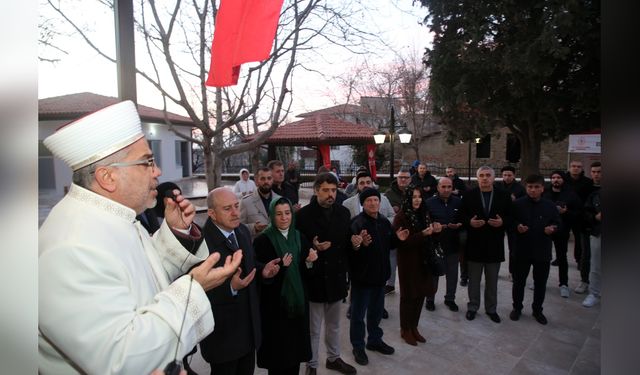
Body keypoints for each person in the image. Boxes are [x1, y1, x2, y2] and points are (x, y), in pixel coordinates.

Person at [39, 100, 242, 374]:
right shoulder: (71, 247)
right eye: (147, 162)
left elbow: (135, 276)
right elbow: (124, 357)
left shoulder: (109, 216)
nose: (157, 171)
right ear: (108, 177)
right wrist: (193, 289)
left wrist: (175, 232)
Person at [200, 187, 283, 375]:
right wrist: (230, 287)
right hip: (223, 338)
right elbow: (195, 289)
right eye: (227, 208)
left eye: (236, 206)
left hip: (248, 331)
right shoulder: (201, 243)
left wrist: (263, 271)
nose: (236, 212)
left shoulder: (242, 231)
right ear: (212, 213)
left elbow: (249, 264)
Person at [296, 172, 357, 375]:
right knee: (313, 328)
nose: (330, 194)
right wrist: (311, 249)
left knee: (335, 326)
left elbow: (347, 243)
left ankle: (333, 358)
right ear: (316, 190)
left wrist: (356, 244)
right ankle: (311, 365)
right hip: (315, 279)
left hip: (337, 277)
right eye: (325, 190)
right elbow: (297, 246)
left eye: (333, 190)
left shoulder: (343, 213)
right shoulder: (303, 216)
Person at [253, 197, 318, 375]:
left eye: (287, 213)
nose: (284, 218)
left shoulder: (300, 238)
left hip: (297, 307)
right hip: (275, 310)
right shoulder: (262, 241)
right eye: (279, 214)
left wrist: (310, 262)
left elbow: (308, 276)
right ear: (272, 216)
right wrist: (279, 269)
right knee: (279, 360)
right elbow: (260, 278)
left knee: (294, 357)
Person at [348, 188, 409, 366]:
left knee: (375, 313)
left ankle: (374, 340)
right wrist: (359, 245)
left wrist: (398, 239)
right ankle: (358, 346)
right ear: (363, 203)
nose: (373, 203)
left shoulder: (383, 221)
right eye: (369, 201)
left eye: (376, 200)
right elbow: (351, 251)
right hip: (362, 279)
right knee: (358, 316)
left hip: (379, 278)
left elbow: (389, 245)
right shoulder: (356, 223)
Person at [460, 166, 512, 323]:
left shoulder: (504, 195)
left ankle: (491, 309)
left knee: (492, 281)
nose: (484, 178)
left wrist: (503, 222)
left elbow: (511, 216)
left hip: (494, 245)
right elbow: (461, 215)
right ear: (477, 178)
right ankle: (472, 307)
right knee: (474, 281)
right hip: (475, 244)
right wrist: (470, 222)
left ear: (493, 178)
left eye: (487, 175)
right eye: (481, 175)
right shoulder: (469, 195)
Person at [509, 175, 561, 325]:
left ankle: (537, 310)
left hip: (542, 251)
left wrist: (553, 228)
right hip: (522, 249)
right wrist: (517, 226)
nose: (533, 190)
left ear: (542, 188)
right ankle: (517, 308)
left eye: (536, 187)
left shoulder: (550, 205)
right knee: (519, 282)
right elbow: (510, 222)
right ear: (526, 188)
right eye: (530, 187)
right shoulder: (517, 204)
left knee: (540, 283)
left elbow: (558, 223)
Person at [343, 171, 395, 319]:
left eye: (368, 182)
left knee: (378, 283)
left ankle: (379, 307)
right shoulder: (348, 203)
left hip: (379, 250)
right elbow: (345, 227)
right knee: (357, 283)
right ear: (357, 185)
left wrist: (383, 225)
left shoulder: (383, 200)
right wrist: (355, 240)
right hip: (358, 253)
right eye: (362, 183)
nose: (365, 185)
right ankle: (353, 306)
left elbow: (391, 217)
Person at [392, 185, 441, 345]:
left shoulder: (424, 213)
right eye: (414, 197)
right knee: (408, 296)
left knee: (420, 294)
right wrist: (422, 234)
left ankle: (414, 327)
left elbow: (430, 235)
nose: (417, 200)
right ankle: (405, 330)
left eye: (419, 196)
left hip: (424, 260)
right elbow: (400, 243)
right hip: (408, 262)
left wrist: (435, 229)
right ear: (407, 199)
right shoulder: (401, 217)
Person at [425, 177, 463, 312]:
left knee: (452, 274)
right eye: (443, 187)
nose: (446, 190)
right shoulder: (429, 203)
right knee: (433, 274)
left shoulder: (459, 202)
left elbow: (463, 220)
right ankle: (430, 299)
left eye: (449, 187)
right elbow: (424, 222)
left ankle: (450, 299)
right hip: (435, 245)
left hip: (453, 245)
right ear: (438, 187)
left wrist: (459, 225)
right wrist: (432, 227)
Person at [542, 171, 582, 298]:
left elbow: (578, 212)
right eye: (553, 177)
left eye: (558, 178)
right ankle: (541, 281)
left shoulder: (570, 194)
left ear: (563, 180)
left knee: (561, 257)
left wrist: (566, 212)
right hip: (546, 230)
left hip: (562, 230)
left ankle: (563, 284)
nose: (556, 180)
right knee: (543, 257)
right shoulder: (545, 193)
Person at [383, 168, 412, 295]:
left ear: (410, 179)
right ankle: (390, 284)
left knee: (410, 259)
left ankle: (409, 284)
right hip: (394, 230)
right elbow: (386, 212)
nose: (403, 179)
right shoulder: (389, 193)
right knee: (392, 258)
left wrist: (399, 209)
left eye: (406, 177)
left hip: (411, 231)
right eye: (401, 177)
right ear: (397, 178)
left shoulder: (414, 192)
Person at [574, 161, 602, 295]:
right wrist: (593, 218)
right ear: (590, 173)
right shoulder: (586, 187)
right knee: (586, 255)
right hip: (587, 227)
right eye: (594, 172)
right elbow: (582, 208)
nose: (597, 175)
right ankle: (584, 280)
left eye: (599, 172)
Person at [563, 160, 593, 270]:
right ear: (569, 167)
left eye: (578, 166)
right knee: (562, 237)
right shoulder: (563, 180)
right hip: (565, 213)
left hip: (579, 214)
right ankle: (561, 258)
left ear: (582, 169)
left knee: (579, 238)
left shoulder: (587, 182)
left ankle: (579, 259)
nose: (576, 168)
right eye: (573, 166)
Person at [497, 166, 526, 281]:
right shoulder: (497, 186)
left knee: (513, 248)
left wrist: (515, 200)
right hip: (500, 218)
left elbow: (524, 204)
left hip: (513, 220)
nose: (507, 177)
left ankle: (512, 272)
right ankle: (495, 270)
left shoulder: (520, 189)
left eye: (509, 175)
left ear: (514, 175)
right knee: (497, 246)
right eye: (505, 175)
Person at [240, 167, 281, 239]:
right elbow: (238, 227)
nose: (266, 182)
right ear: (256, 181)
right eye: (262, 179)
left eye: (269, 178)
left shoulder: (280, 200)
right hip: (255, 247)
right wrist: (254, 228)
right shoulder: (246, 202)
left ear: (272, 180)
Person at [582, 165, 602, 308]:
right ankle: (594, 293)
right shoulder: (596, 195)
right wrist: (596, 217)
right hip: (598, 233)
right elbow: (586, 212)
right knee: (595, 265)